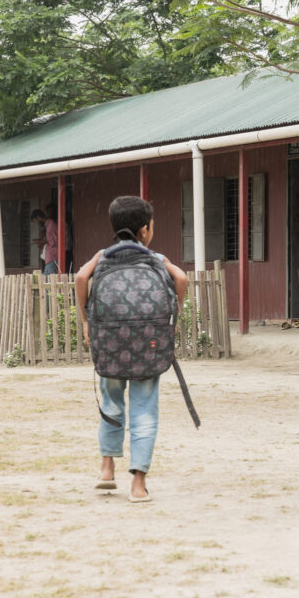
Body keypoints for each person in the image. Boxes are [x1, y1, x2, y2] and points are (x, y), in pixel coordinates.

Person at [74, 196, 188, 503]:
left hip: (110, 341)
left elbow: (81, 277)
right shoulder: (154, 258)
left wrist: (85, 320)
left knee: (111, 399)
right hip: (148, 342)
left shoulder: (103, 256)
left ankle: (107, 468)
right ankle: (138, 484)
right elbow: (182, 278)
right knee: (145, 408)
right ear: (145, 230)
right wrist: (172, 316)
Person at [31, 209, 59, 275]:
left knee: (50, 281)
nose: (37, 224)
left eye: (36, 221)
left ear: (38, 217)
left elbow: (56, 241)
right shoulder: (47, 226)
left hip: (53, 257)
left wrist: (42, 241)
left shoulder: (51, 224)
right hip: (49, 258)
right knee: (46, 281)